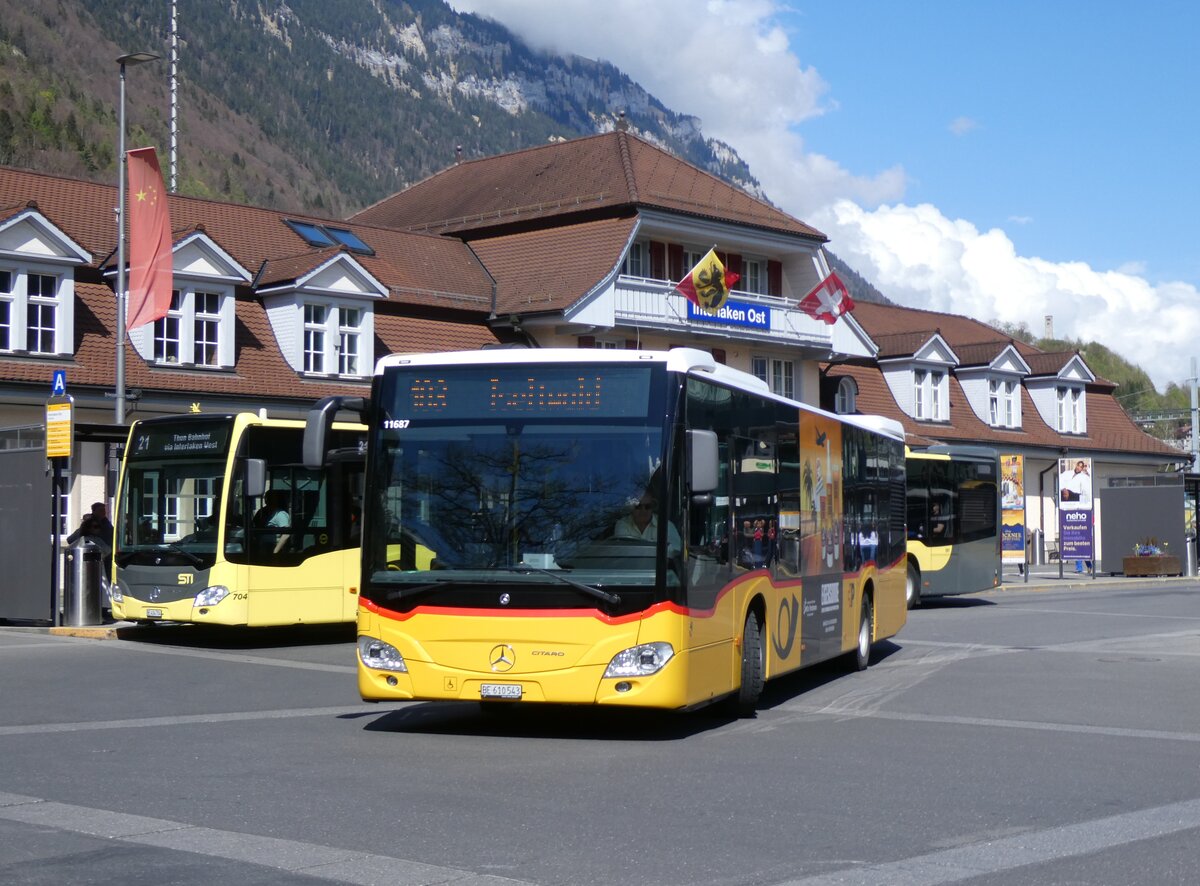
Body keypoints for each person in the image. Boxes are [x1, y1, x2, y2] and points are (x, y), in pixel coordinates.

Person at [613, 492, 682, 556]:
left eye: (648, 506)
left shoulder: (665, 524)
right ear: (632, 509)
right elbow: (622, 551)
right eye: (638, 506)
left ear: (652, 508)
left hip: (658, 569)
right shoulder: (622, 524)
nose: (643, 511)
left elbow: (675, 550)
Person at [254, 489, 291, 554]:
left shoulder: (280, 514)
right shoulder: (262, 512)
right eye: (266, 497)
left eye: (270, 498)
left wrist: (275, 551)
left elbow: (286, 534)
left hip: (273, 547)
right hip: (261, 547)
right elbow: (254, 524)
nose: (267, 500)